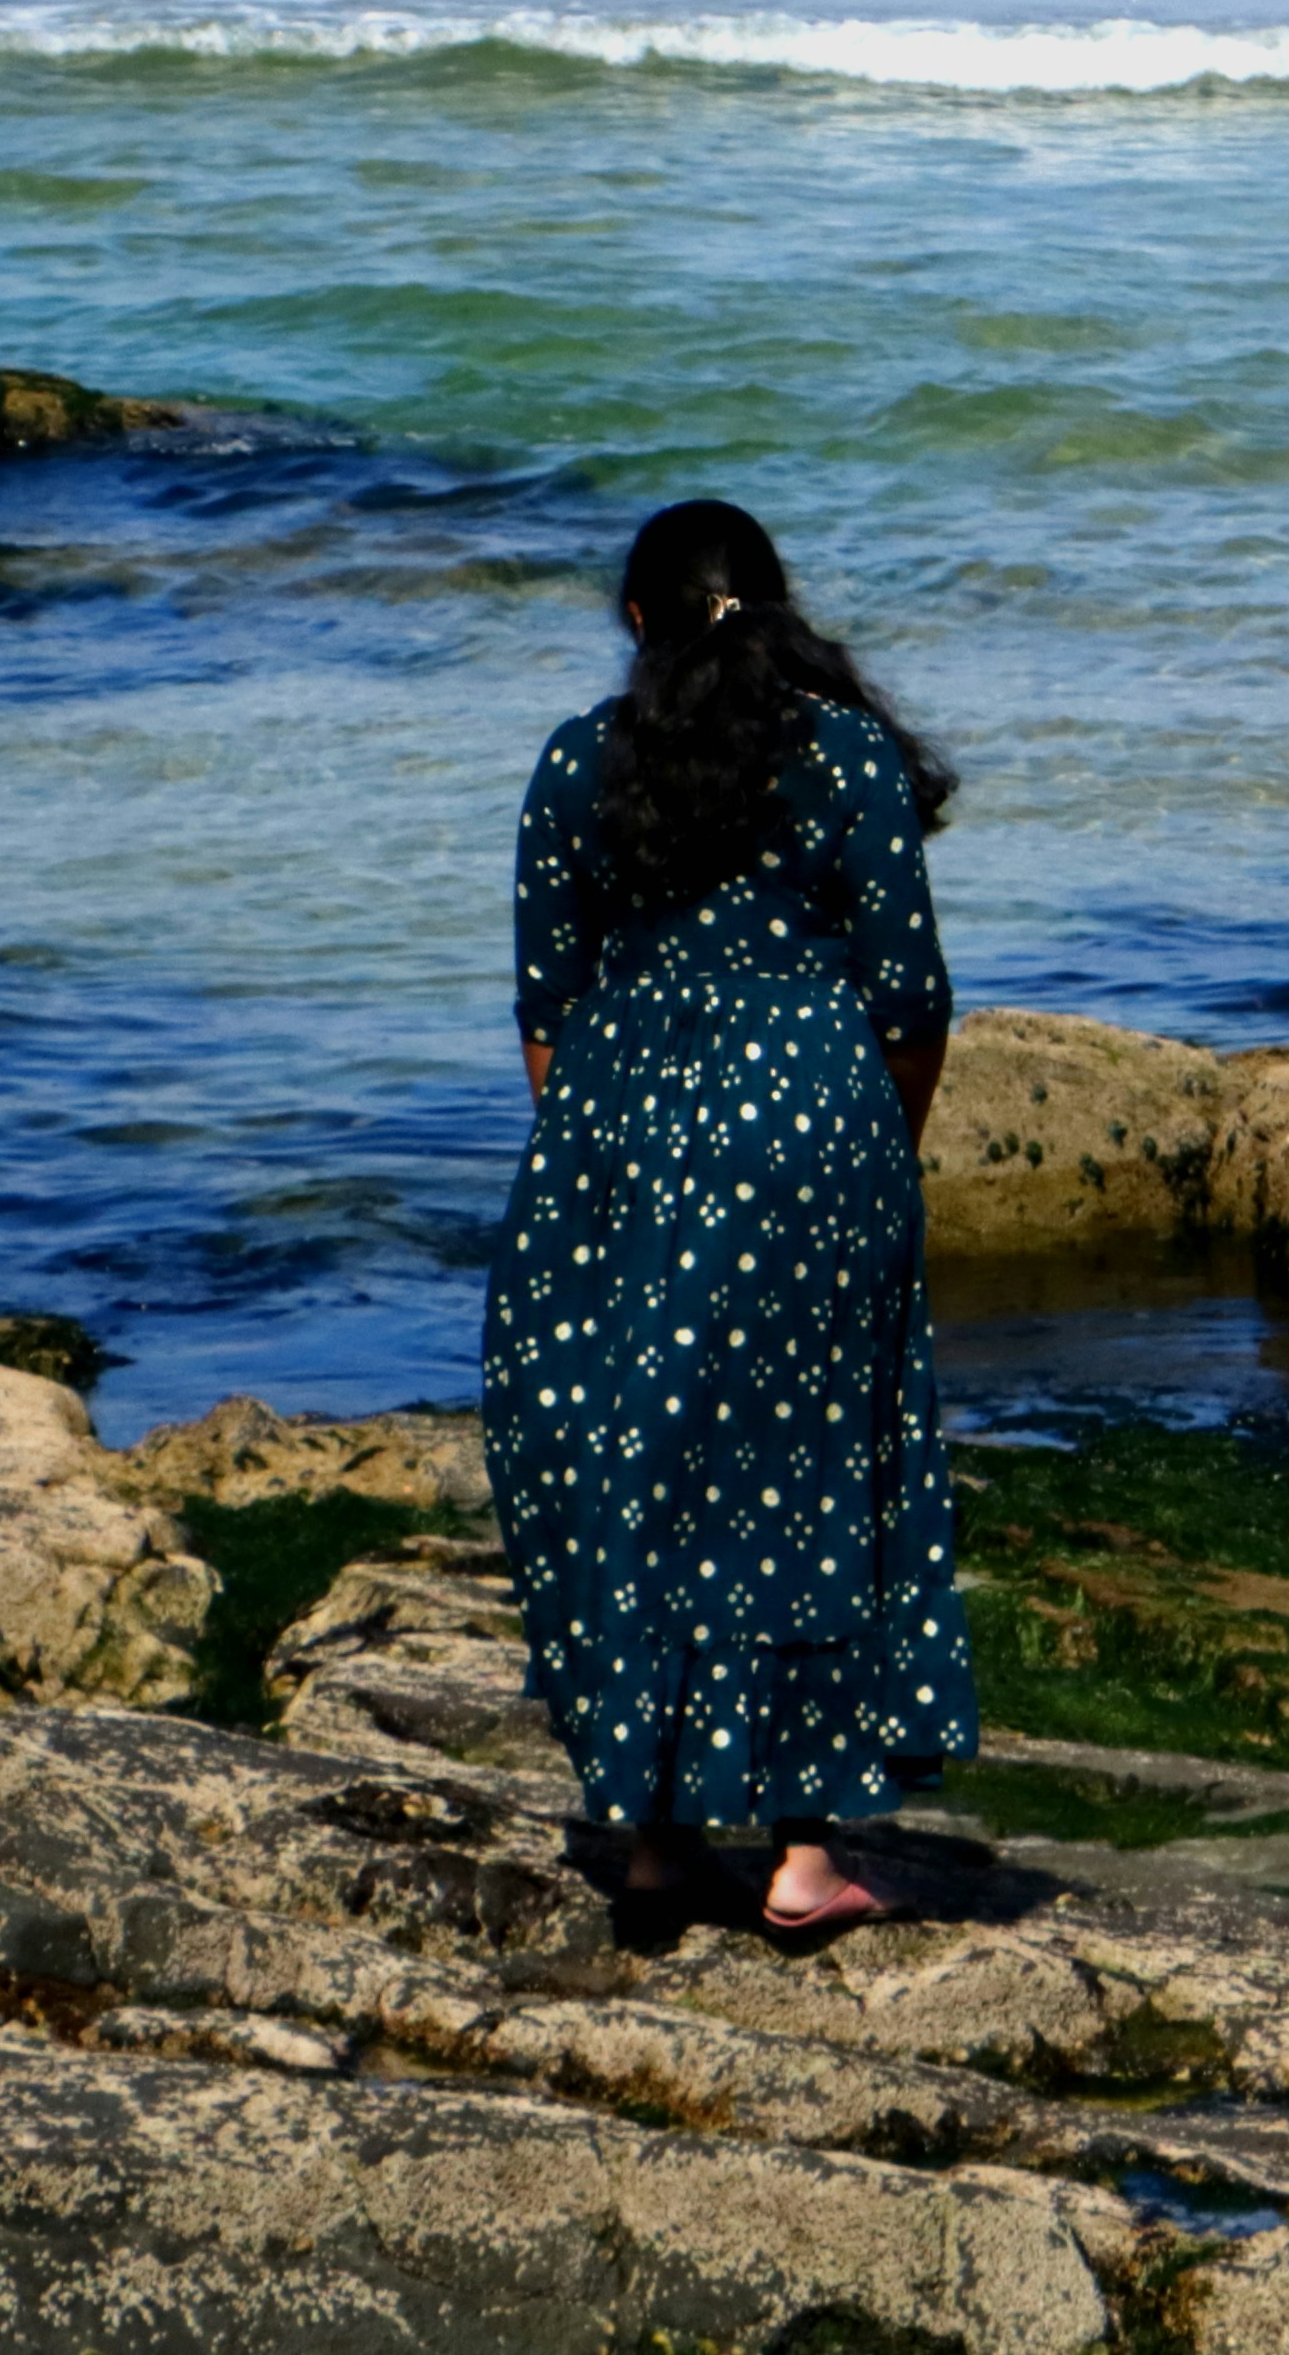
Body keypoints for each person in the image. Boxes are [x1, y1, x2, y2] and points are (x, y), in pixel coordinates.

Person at [483, 498, 980, 1947]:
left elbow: (546, 1007)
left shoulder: (582, 759)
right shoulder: (842, 754)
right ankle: (805, 1860)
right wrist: (881, 1153)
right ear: (776, 614)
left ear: (636, 622)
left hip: (620, 1120)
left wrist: (589, 1160)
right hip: (812, 1119)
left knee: (622, 1457)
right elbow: (911, 996)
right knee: (814, 1463)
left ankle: (647, 1842)